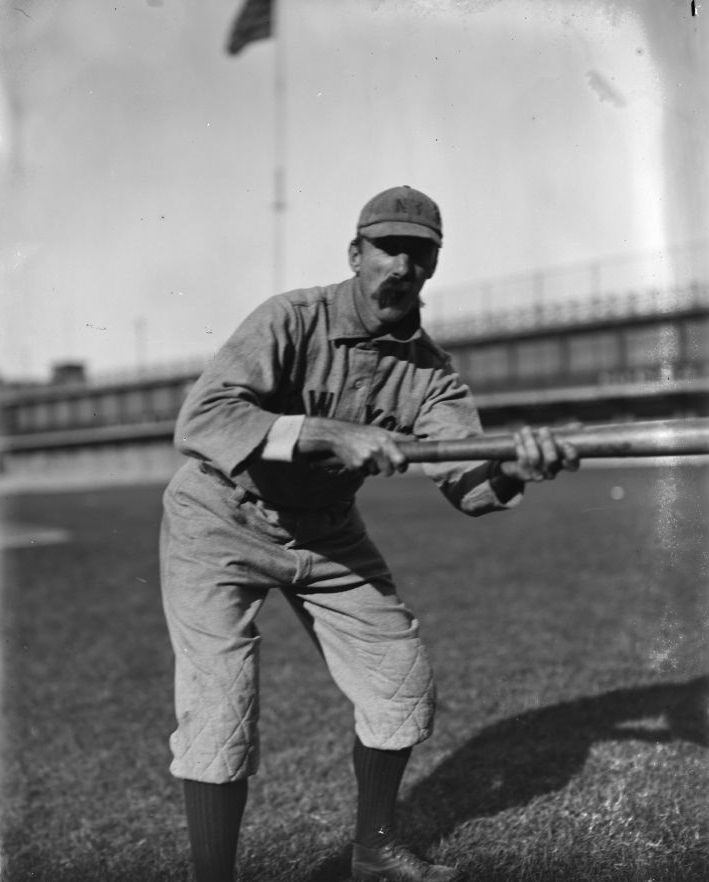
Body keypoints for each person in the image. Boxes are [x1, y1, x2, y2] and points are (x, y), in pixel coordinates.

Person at [160, 185, 579, 882]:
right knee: (219, 711)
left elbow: (470, 489)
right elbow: (200, 422)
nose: (401, 267)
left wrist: (519, 469)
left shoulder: (432, 376)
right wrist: (326, 433)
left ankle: (373, 848)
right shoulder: (290, 318)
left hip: (326, 532)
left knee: (400, 685)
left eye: (419, 254)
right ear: (356, 254)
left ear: (432, 268)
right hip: (220, 519)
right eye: (388, 249)